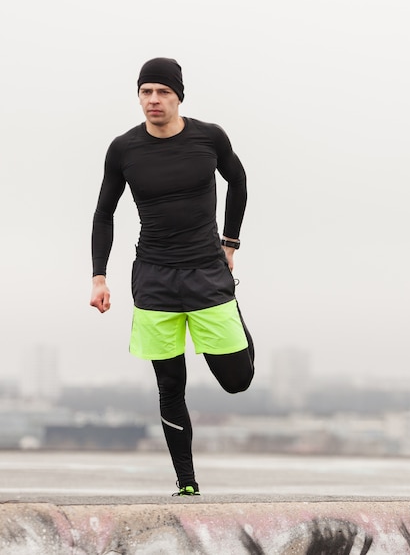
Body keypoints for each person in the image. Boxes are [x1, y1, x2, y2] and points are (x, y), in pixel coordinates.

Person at [90, 57, 254, 496]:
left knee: (238, 381)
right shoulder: (124, 149)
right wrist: (99, 276)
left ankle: (233, 308)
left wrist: (230, 243)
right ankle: (186, 482)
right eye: (146, 92)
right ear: (139, 96)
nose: (154, 100)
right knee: (169, 384)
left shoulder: (209, 138)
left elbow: (238, 182)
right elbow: (104, 213)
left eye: (163, 91)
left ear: (179, 95)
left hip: (207, 273)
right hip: (154, 278)